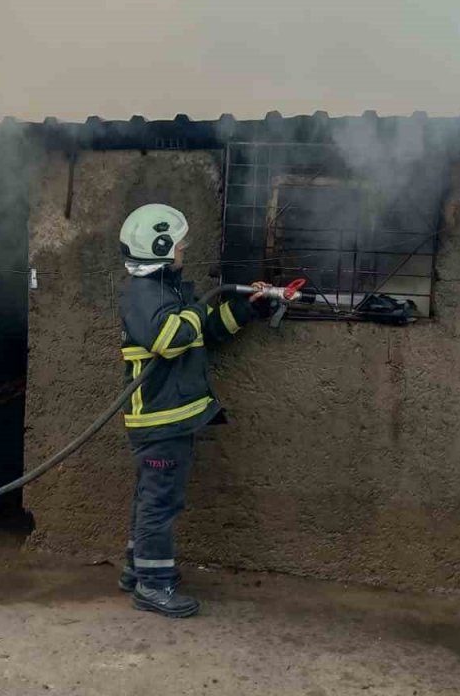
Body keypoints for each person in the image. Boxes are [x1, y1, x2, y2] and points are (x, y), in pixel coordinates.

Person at [115, 203, 286, 618]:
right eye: (179, 243)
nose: (184, 248)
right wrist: (198, 304)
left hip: (173, 416)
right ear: (161, 247)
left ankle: (136, 571)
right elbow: (169, 339)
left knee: (150, 498)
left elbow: (206, 331)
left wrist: (250, 306)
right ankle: (153, 586)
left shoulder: (168, 290)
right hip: (160, 419)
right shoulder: (144, 294)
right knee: (160, 503)